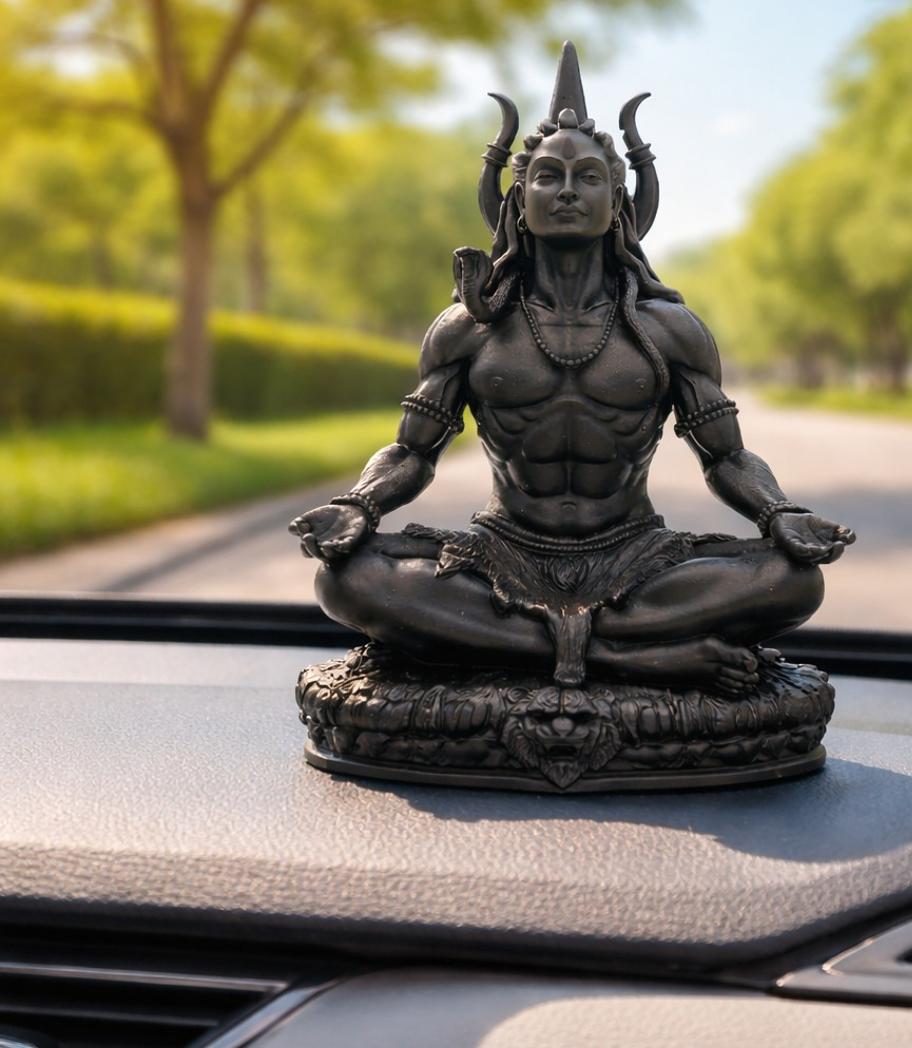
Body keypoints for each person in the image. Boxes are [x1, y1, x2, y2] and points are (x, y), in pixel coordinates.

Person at [290, 44, 854, 696]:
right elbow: (412, 453)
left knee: (793, 581)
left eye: (587, 177)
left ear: (617, 202)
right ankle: (632, 657)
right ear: (517, 201)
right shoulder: (470, 327)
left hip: (636, 556)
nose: (565, 191)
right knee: (348, 580)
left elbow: (726, 458)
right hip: (500, 551)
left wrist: (780, 514)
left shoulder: (669, 329)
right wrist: (358, 505)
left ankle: (525, 648)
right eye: (547, 177)